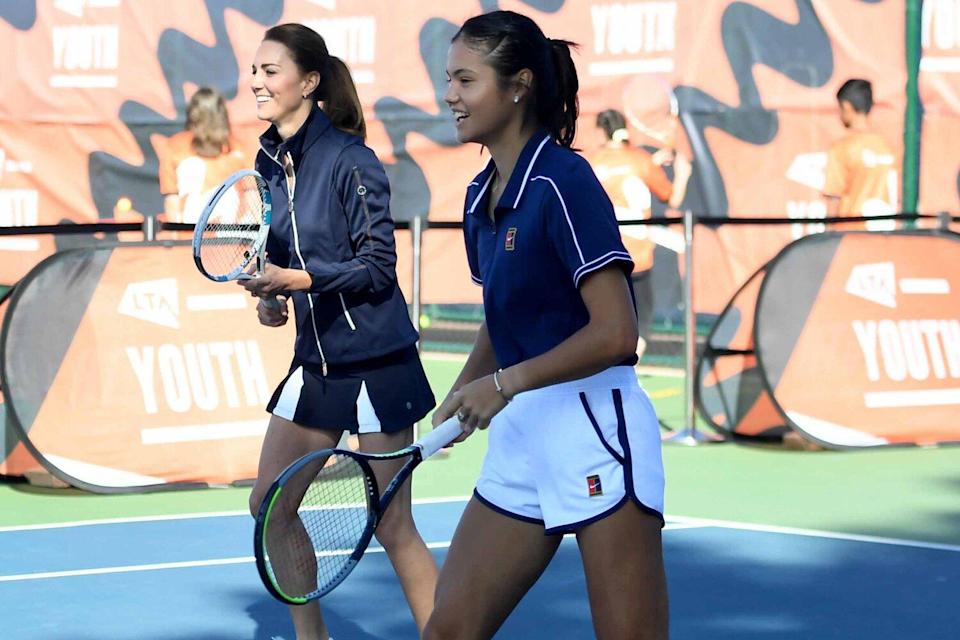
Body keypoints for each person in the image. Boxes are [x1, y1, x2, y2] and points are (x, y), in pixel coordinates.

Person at [424, 11, 668, 640]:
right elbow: (502, 315)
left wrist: (502, 384)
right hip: (522, 430)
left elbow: (616, 333)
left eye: (466, 80)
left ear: (518, 85)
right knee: (448, 631)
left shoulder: (564, 180)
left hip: (594, 425)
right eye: (449, 79)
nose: (449, 95)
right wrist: (466, 387)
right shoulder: (479, 196)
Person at [237, 23, 437, 640]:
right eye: (255, 70)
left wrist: (297, 280)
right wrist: (272, 301)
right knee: (268, 506)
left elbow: (378, 268)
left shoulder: (353, 160)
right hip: (317, 363)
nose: (257, 82)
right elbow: (283, 257)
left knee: (392, 524)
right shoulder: (267, 164)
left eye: (271, 71)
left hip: (378, 362)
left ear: (309, 82)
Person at [588, 109, 691, 360]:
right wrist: (683, 174)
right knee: (641, 321)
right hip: (637, 256)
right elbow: (672, 197)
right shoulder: (640, 161)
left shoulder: (592, 163)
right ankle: (629, 366)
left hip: (603, 254)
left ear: (603, 131)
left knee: (604, 319)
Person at [158, 87, 248, 223]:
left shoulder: (238, 149)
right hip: (191, 230)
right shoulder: (176, 146)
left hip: (232, 231)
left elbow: (252, 195)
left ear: (192, 114)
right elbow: (172, 198)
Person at [822, 78, 898, 230]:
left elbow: (834, 198)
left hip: (850, 233)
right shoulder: (889, 147)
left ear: (846, 106)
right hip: (885, 236)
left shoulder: (842, 148)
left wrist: (828, 235)